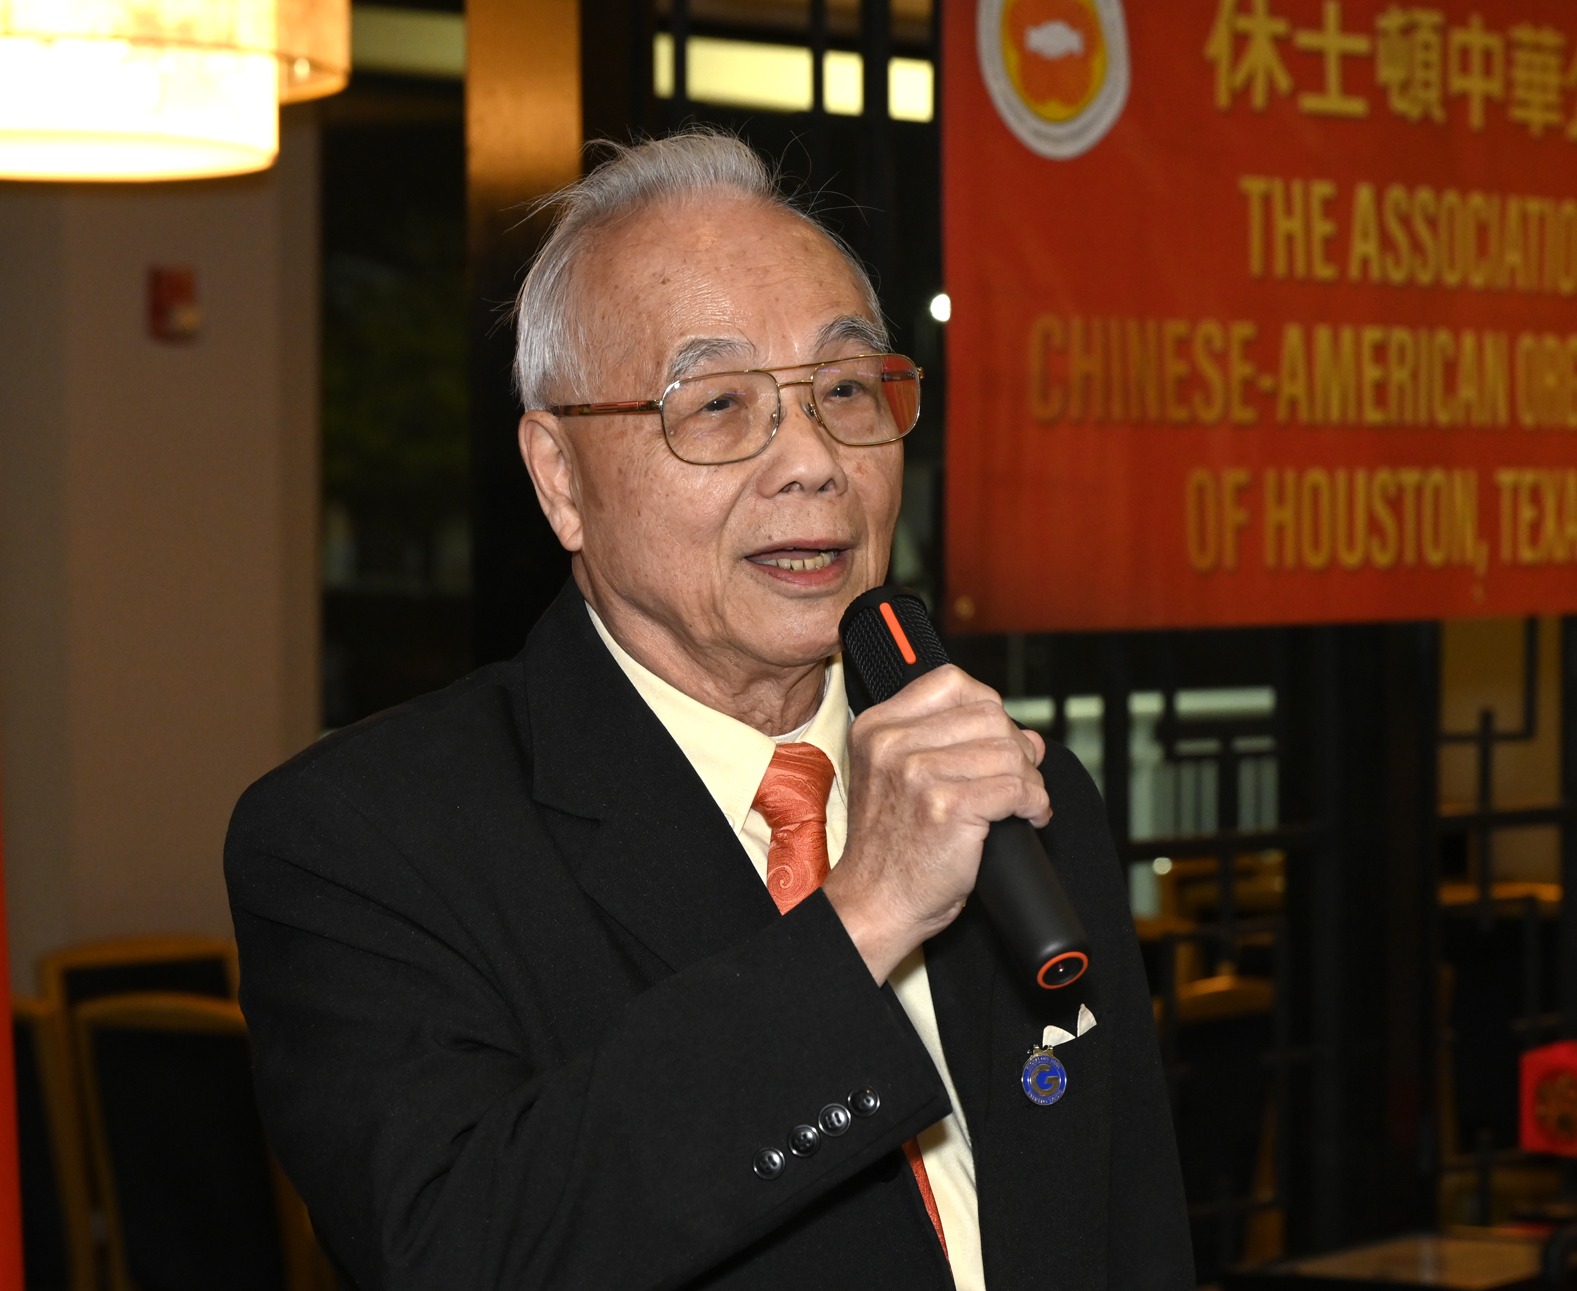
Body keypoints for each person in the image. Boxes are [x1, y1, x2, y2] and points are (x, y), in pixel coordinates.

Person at [225, 129, 1191, 1291]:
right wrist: (865, 911)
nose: (811, 462)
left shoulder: (1011, 790)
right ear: (559, 476)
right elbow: (463, 1250)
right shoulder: (361, 840)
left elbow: (1132, 1224)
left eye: (845, 390)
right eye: (720, 403)